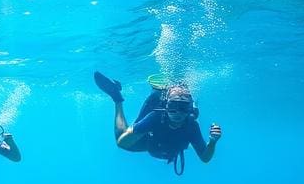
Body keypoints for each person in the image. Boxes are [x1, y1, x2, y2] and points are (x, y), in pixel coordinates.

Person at [93, 71, 221, 175]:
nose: (177, 113)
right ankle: (117, 98)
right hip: (151, 141)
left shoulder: (191, 125)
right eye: (173, 107)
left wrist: (212, 142)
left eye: (182, 108)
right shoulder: (155, 117)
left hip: (163, 145)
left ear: (188, 110)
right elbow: (122, 143)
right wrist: (139, 130)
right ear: (167, 107)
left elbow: (205, 158)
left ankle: (181, 100)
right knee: (121, 138)